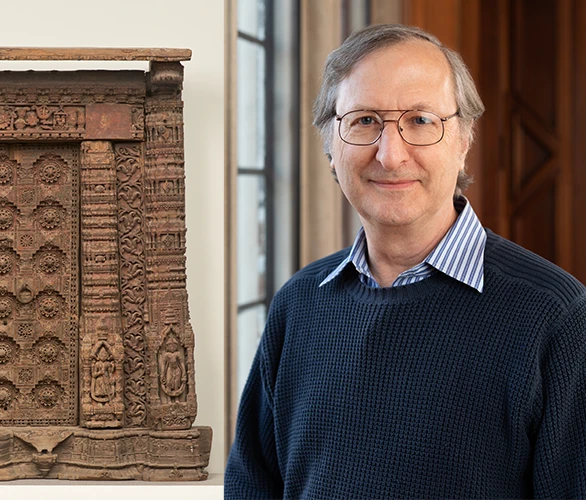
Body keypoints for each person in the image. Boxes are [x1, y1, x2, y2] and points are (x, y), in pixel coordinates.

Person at [225, 24, 586, 499]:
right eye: (364, 120)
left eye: (420, 120)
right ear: (331, 148)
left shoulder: (555, 315)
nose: (390, 156)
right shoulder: (298, 305)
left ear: (463, 140)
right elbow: (252, 486)